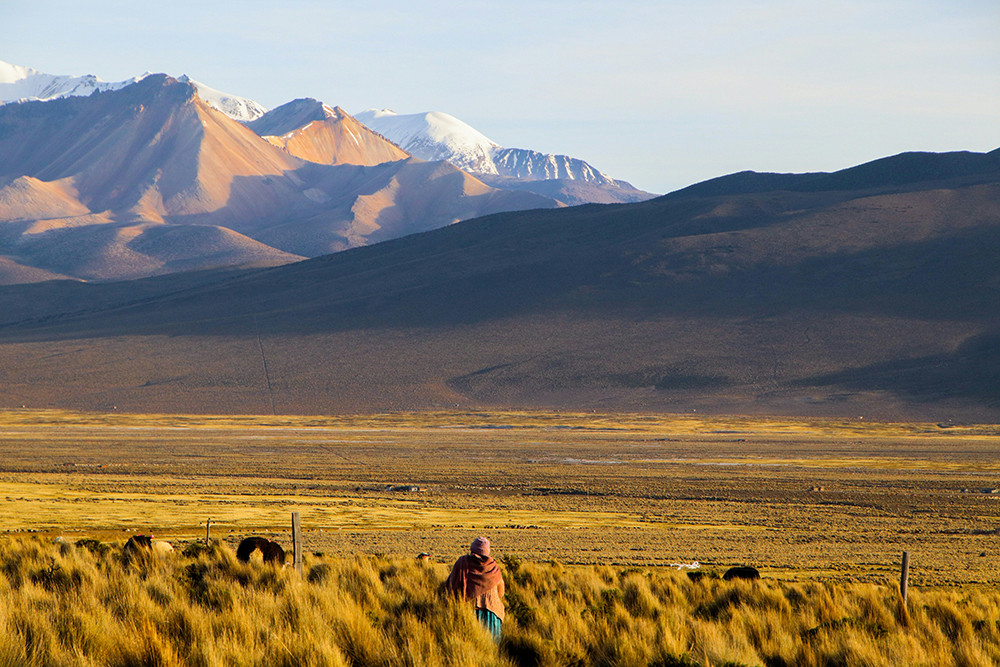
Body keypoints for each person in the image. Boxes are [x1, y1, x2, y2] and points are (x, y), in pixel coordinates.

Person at [445, 536, 505, 641]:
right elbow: (501, 592)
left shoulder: (462, 563)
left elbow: (451, 585)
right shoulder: (494, 567)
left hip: (469, 611)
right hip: (492, 612)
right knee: (491, 649)